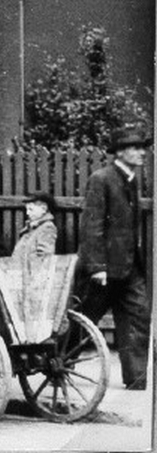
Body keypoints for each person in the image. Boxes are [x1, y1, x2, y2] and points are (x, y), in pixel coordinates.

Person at [78, 125, 151, 391]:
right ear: (120, 152)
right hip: (105, 269)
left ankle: (137, 379)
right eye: (135, 148)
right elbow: (92, 224)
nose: (142, 152)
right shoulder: (102, 178)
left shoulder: (131, 180)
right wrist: (97, 267)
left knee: (138, 317)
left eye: (143, 148)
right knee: (84, 319)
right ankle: (55, 362)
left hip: (129, 267)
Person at [12, 191, 58, 258]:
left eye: (31, 209)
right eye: (27, 209)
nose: (27, 213)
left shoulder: (47, 228)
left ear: (43, 209)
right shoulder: (31, 228)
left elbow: (45, 257)